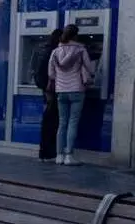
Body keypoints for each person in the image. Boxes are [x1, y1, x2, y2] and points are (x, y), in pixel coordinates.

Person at [48, 24, 95, 166]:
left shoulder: (55, 52)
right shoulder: (80, 49)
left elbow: (51, 74)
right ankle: (69, 156)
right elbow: (90, 68)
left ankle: (59, 156)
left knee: (62, 123)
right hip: (76, 90)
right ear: (75, 35)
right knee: (72, 123)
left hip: (61, 91)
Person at [32, 28, 61, 163]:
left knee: (48, 119)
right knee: (51, 120)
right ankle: (48, 152)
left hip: (45, 87)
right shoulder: (54, 51)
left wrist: (43, 86)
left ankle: (44, 152)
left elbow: (33, 68)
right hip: (52, 88)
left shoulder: (40, 48)